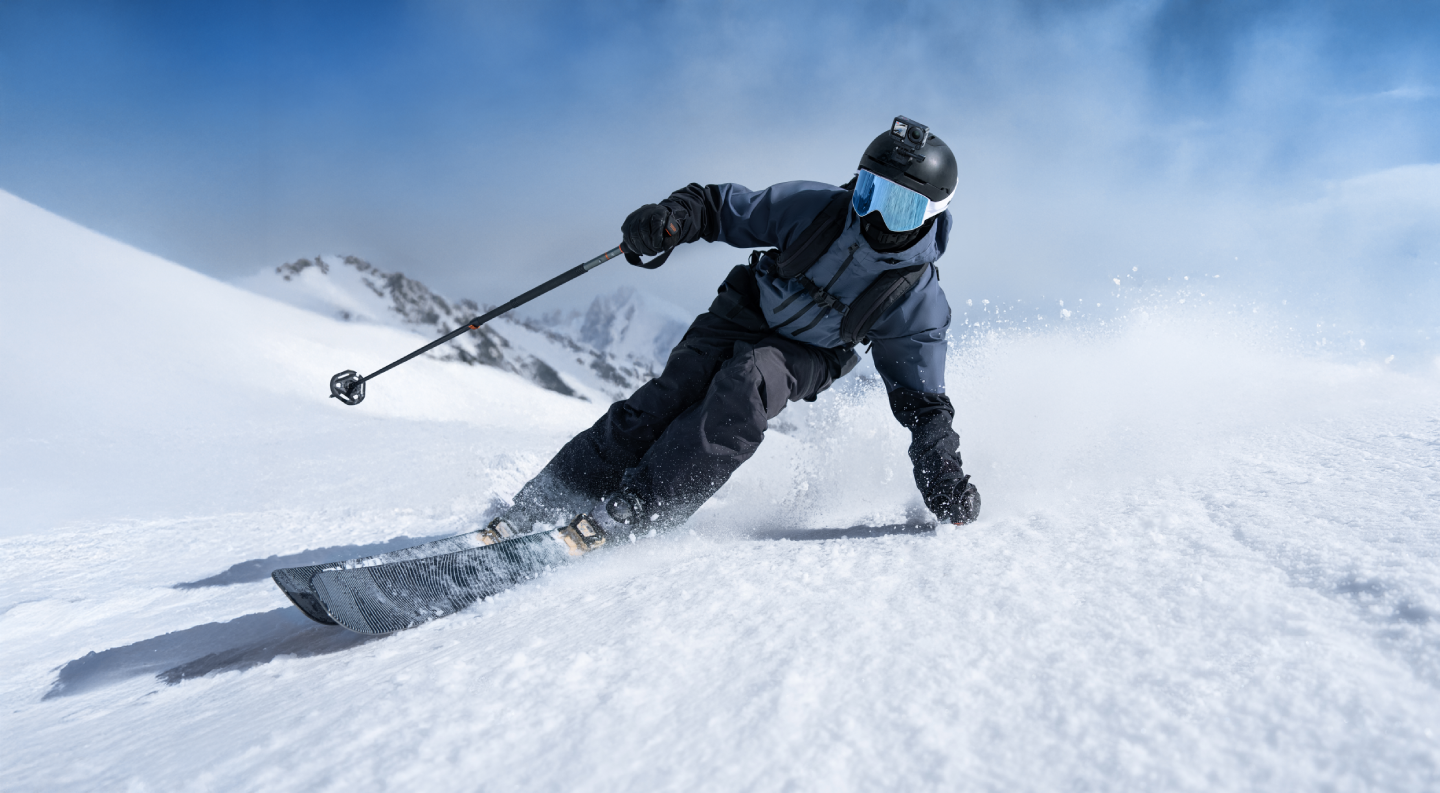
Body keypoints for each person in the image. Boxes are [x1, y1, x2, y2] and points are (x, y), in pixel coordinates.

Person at [494, 115, 980, 536]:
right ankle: (552, 496)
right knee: (667, 398)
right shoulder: (816, 208)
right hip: (744, 311)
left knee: (746, 385)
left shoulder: (916, 298)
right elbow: (718, 208)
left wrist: (944, 479)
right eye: (870, 191)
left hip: (810, 354)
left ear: (930, 213)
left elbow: (923, 402)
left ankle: (641, 509)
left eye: (898, 206)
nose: (875, 214)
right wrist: (671, 219)